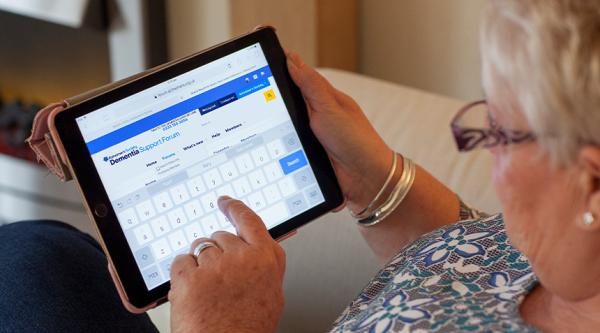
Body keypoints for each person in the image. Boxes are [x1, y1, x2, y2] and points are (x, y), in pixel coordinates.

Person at [2, 0, 600, 331]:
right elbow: (475, 259)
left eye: (497, 131)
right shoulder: (559, 259)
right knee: (37, 252)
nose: (486, 152)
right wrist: (375, 179)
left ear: (590, 184)